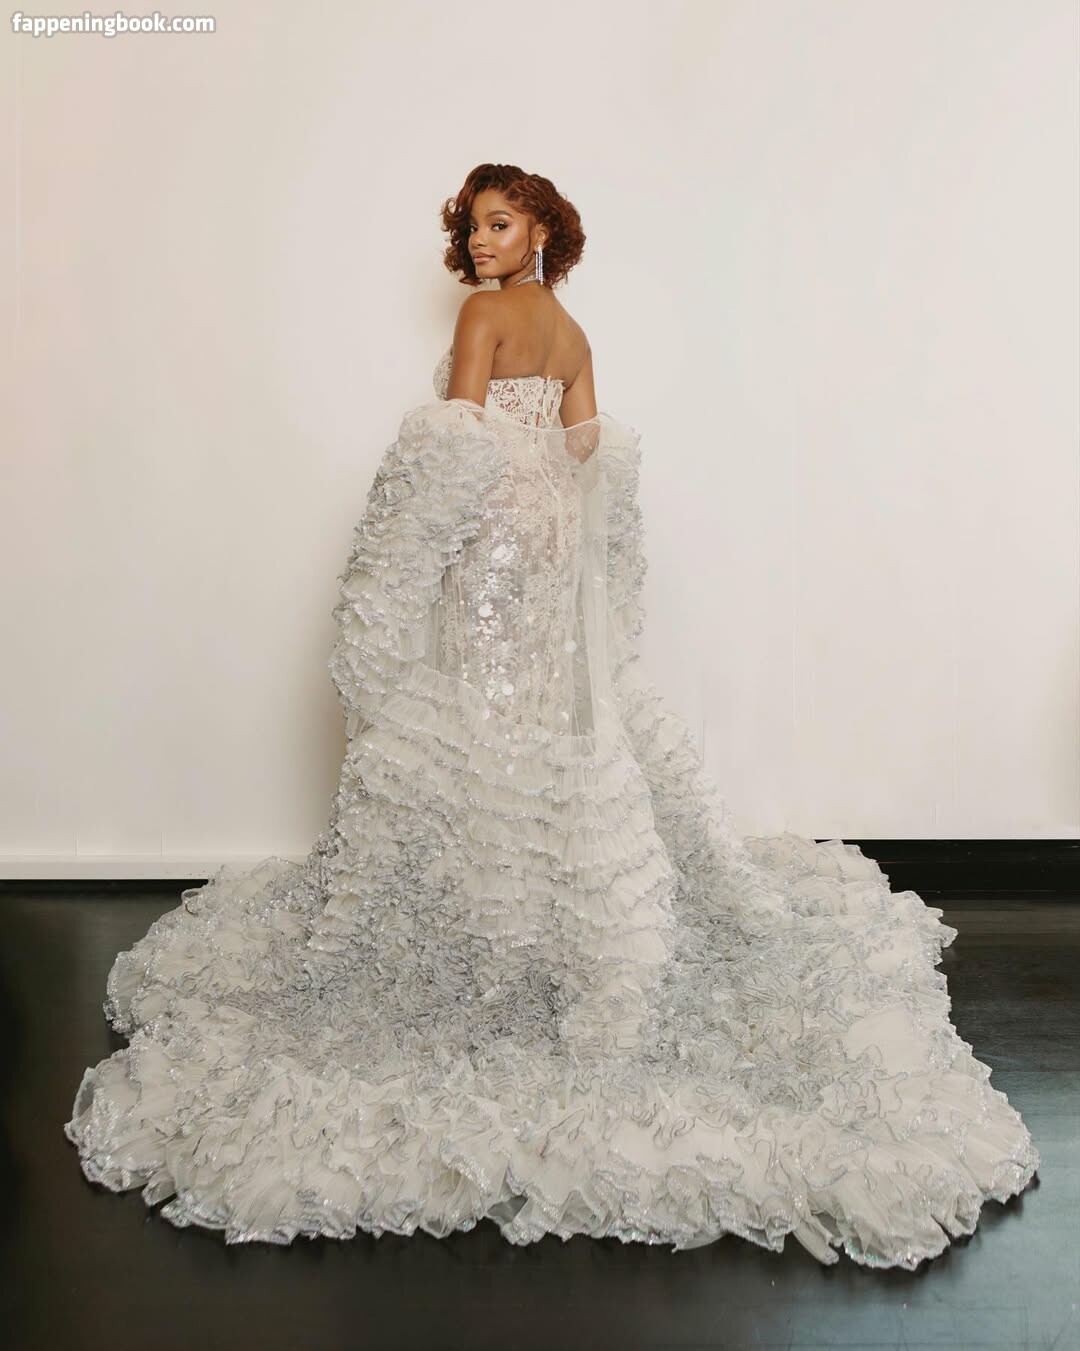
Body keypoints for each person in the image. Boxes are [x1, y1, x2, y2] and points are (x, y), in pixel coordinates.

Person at [64, 162, 1039, 1267]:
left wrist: (397, 580)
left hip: (489, 529)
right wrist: (564, 554)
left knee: (470, 709)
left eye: (500, 222)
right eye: (473, 226)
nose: (481, 243)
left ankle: (483, 909)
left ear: (540, 230)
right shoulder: (573, 334)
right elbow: (587, 457)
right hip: (552, 544)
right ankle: (542, 908)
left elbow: (452, 443)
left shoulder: (484, 318)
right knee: (539, 710)